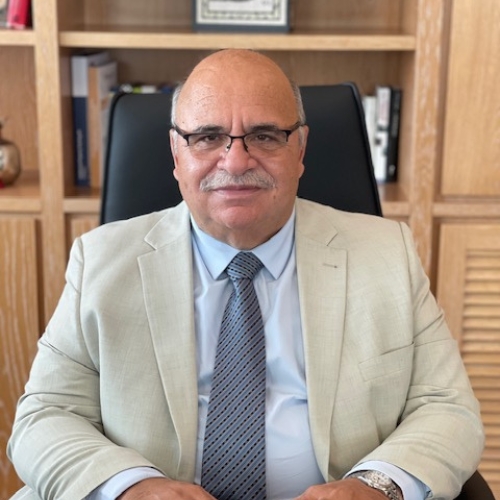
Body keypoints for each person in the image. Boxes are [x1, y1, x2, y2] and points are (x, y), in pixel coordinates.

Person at [8, 49, 484, 500]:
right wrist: (131, 487)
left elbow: (447, 408)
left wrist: (375, 486)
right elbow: (46, 416)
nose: (235, 162)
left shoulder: (386, 254)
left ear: (300, 148)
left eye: (265, 136)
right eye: (207, 137)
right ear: (176, 152)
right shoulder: (100, 261)